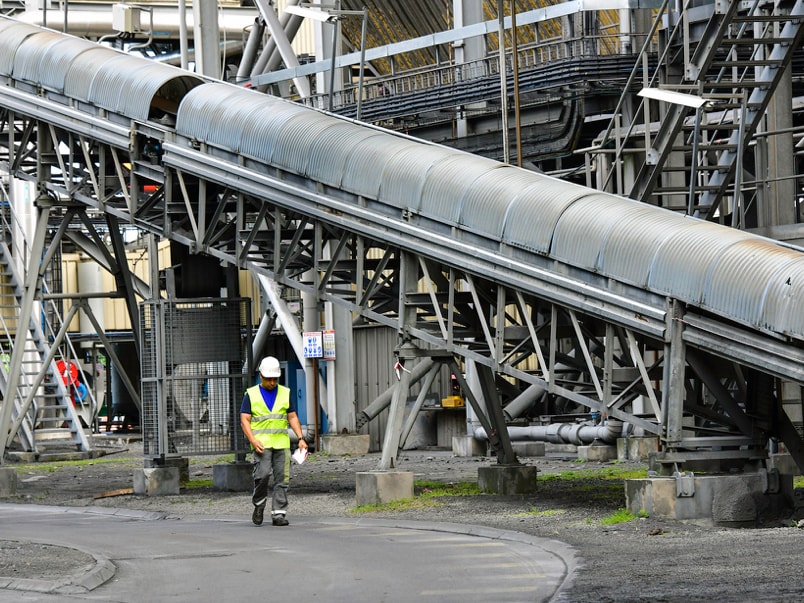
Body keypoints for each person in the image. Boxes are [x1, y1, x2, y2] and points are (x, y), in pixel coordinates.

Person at [240, 356, 308, 527]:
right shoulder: (251, 395)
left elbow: (291, 416)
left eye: (274, 379)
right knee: (262, 476)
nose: (272, 382)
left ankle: (279, 513)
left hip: (281, 444)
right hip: (261, 444)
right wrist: (253, 440)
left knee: (282, 479)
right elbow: (244, 420)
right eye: (269, 379)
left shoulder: (285, 393)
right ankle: (259, 505)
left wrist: (301, 438)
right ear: (261, 376)